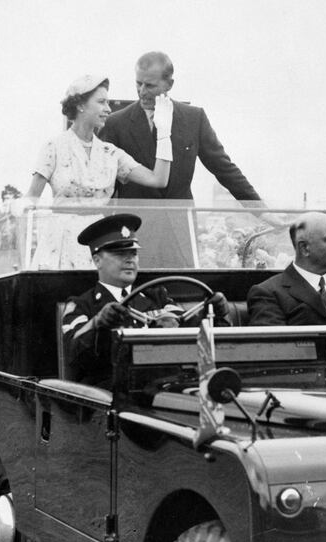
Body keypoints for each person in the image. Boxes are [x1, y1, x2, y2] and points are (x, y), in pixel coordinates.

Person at [62, 214, 228, 386]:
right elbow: (73, 354)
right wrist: (98, 323)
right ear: (97, 260)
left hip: (167, 389)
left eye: (133, 253)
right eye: (120, 254)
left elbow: (188, 327)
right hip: (110, 397)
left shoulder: (157, 297)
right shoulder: (80, 305)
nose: (129, 260)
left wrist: (212, 313)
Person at [99, 51, 259, 203]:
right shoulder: (115, 123)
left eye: (149, 86)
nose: (141, 92)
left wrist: (262, 211)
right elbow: (105, 185)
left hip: (180, 223)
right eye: (138, 83)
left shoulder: (194, 119)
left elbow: (225, 170)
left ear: (169, 84)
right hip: (134, 226)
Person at [26, 75, 172, 204]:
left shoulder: (110, 153)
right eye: (101, 102)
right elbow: (31, 199)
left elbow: (158, 180)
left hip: (98, 233)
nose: (108, 109)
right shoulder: (54, 147)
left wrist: (164, 134)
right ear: (80, 105)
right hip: (62, 232)